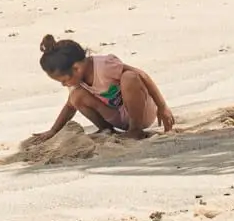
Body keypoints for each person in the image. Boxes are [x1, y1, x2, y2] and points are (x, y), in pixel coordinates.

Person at [29, 34, 175, 141]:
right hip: (116, 116)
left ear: (77, 68)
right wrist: (53, 131)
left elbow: (141, 75)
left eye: (64, 80)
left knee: (129, 77)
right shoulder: (77, 81)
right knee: (76, 96)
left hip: (141, 113)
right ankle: (106, 130)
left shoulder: (104, 66)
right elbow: (70, 107)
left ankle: (135, 130)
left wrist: (162, 107)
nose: (64, 84)